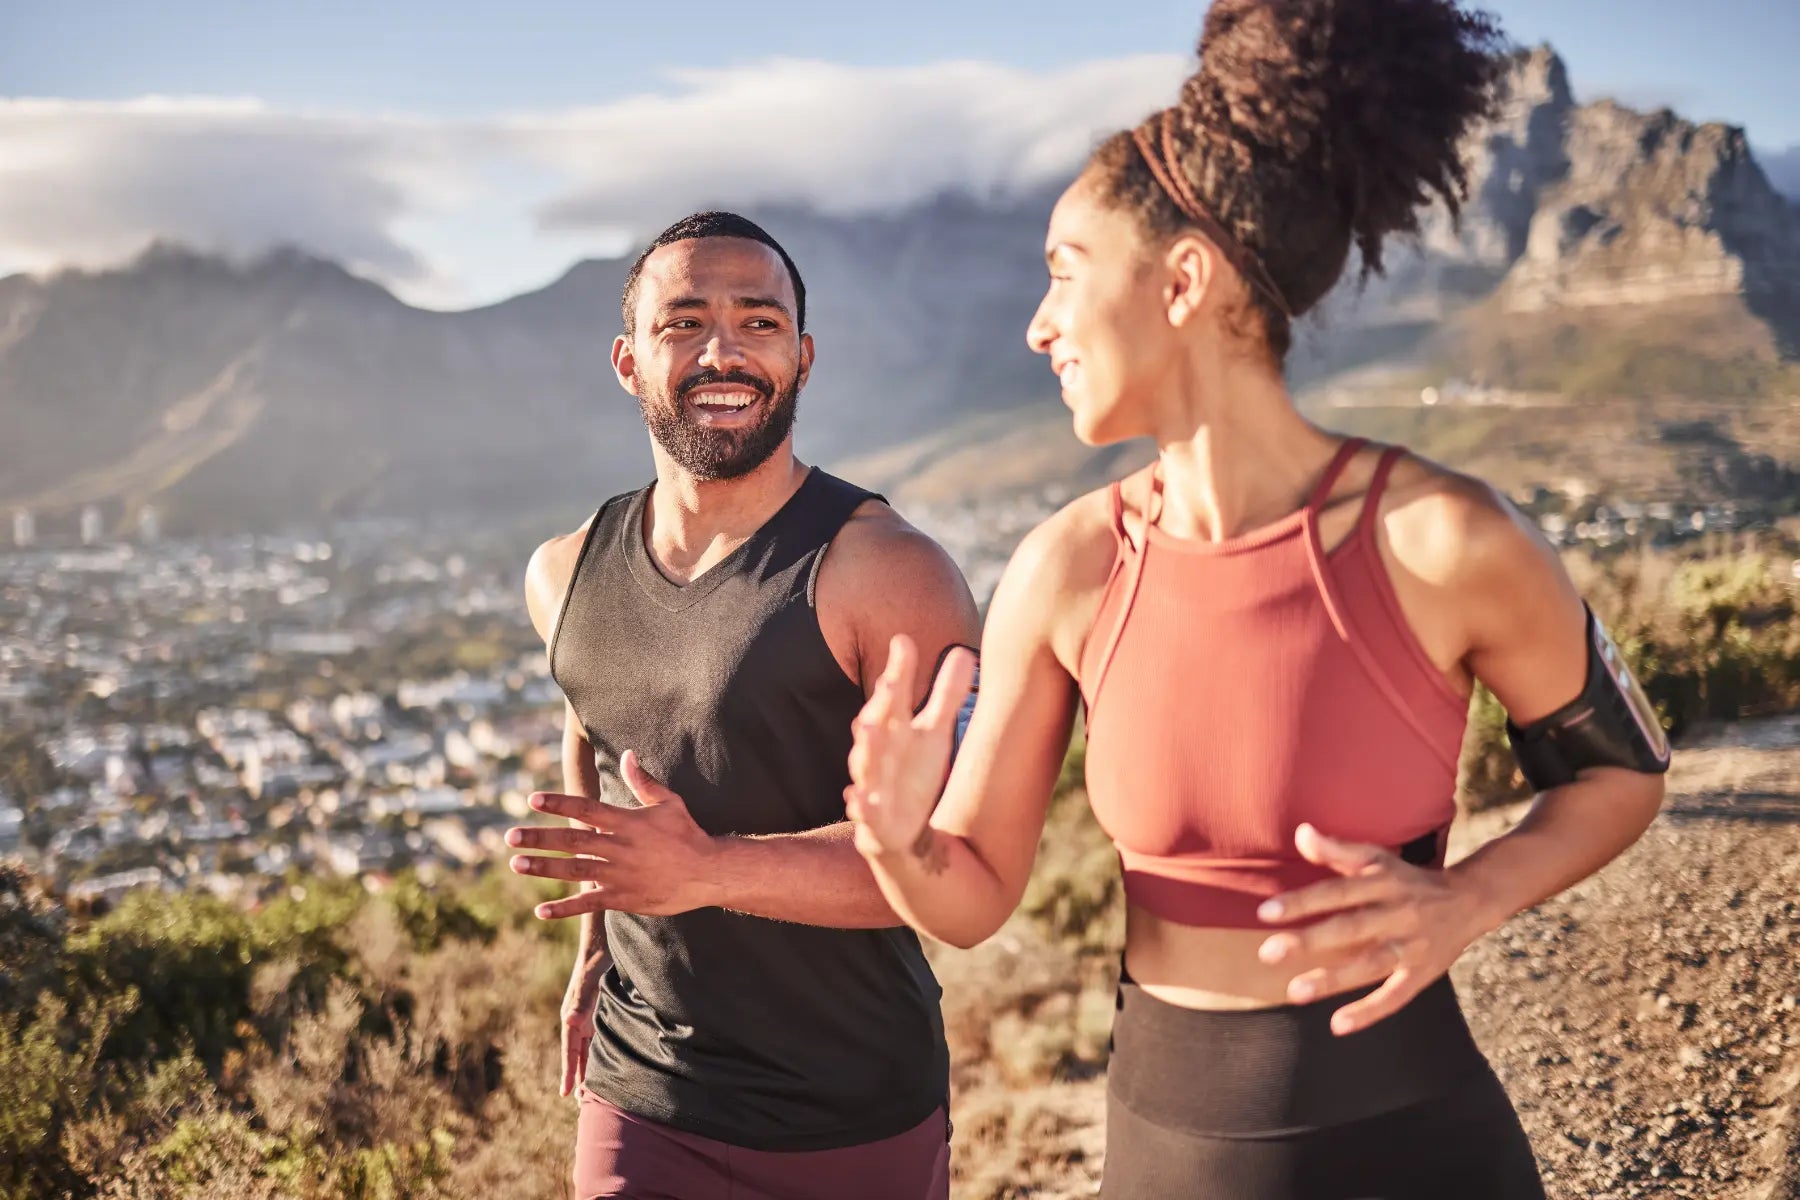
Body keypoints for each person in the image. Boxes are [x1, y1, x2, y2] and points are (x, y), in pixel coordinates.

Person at [842, 3, 1670, 1197]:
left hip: (1421, 1149)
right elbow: (967, 900)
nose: (1038, 327)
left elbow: (1621, 774)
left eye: (1064, 276)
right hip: (1168, 1155)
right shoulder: (1068, 568)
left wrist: (1467, 899)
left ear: (1183, 280)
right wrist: (897, 841)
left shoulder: (1444, 540)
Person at [508, 211, 979, 1200]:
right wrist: (593, 950)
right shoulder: (561, 574)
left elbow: (950, 861)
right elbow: (592, 718)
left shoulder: (888, 572)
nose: (724, 351)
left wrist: (707, 870)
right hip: (641, 1097)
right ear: (628, 360)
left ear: (802, 357)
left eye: (759, 323)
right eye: (684, 323)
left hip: (852, 1105)